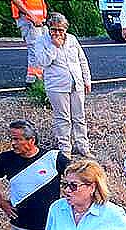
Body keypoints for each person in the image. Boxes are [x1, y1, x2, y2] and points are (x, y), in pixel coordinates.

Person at [36, 12, 92, 158]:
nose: (57, 33)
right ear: (49, 28)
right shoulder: (42, 41)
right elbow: (42, 62)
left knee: (79, 117)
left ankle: (82, 146)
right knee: (63, 118)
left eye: (60, 30)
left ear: (65, 29)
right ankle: (65, 149)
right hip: (57, 86)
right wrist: (54, 47)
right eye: (54, 29)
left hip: (76, 83)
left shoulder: (72, 39)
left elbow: (82, 60)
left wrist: (87, 80)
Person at [11, 0, 47, 85]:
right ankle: (35, 81)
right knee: (35, 51)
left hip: (38, 20)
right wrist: (31, 16)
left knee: (41, 50)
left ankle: (34, 79)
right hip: (29, 20)